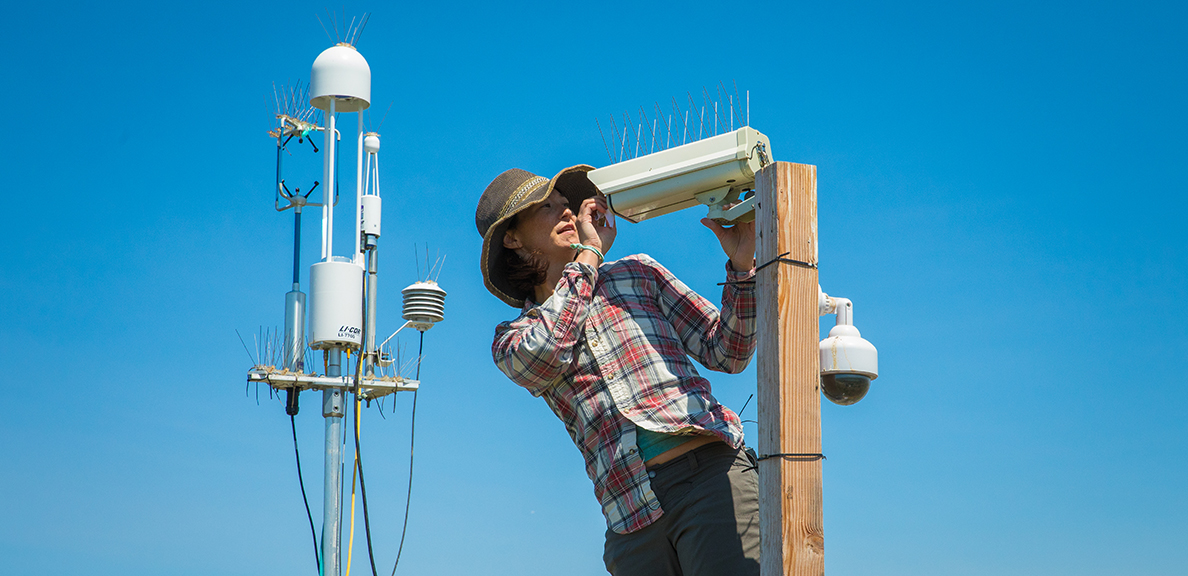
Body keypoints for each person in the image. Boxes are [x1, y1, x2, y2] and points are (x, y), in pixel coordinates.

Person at [475, 165, 759, 576]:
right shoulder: (515, 337)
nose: (568, 213)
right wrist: (589, 257)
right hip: (630, 518)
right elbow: (547, 352)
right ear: (512, 237)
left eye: (567, 205)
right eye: (547, 208)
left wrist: (741, 268)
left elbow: (728, 352)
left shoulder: (637, 273)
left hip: (711, 480)